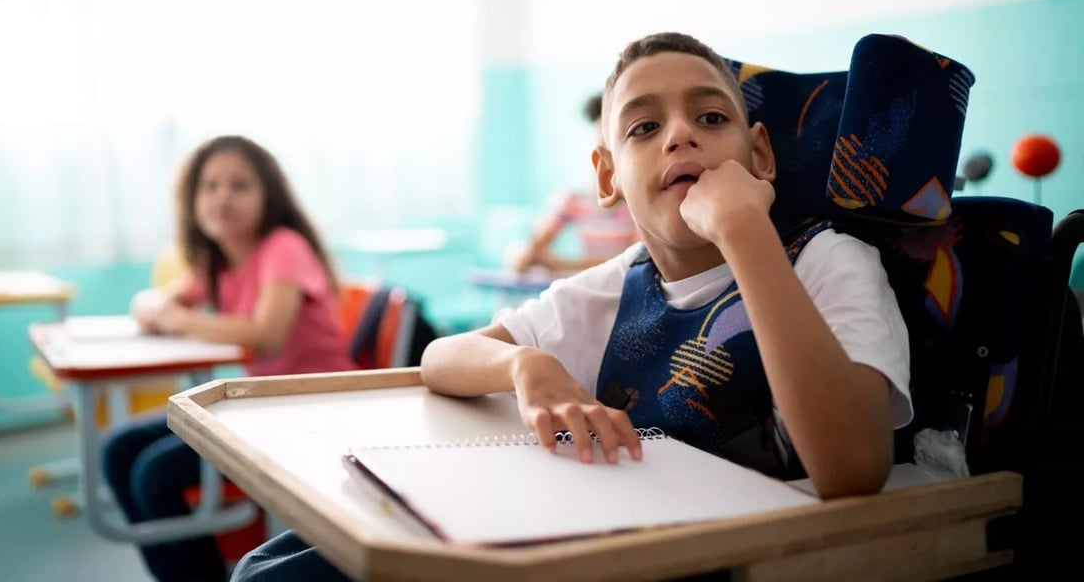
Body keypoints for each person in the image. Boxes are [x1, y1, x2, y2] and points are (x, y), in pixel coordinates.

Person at [229, 31, 912, 580]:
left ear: (759, 154)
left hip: (730, 556)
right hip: (602, 535)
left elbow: (851, 467)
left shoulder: (827, 259)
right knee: (274, 566)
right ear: (608, 176)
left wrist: (741, 232)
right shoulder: (619, 281)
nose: (680, 135)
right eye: (644, 128)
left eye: (710, 117)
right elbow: (442, 357)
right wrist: (527, 366)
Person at [102, 134, 357, 582]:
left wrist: (178, 318)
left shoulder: (283, 247)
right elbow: (151, 304)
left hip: (315, 408)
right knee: (117, 450)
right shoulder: (216, 261)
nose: (223, 197)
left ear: (267, 197)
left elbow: (266, 337)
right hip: (258, 403)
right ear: (193, 199)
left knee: (154, 475)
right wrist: (161, 308)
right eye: (210, 186)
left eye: (240, 186)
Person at [508, 93, 640, 274]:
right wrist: (525, 255)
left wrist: (559, 265)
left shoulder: (641, 201)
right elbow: (531, 249)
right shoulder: (572, 199)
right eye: (600, 142)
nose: (606, 153)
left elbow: (637, 262)